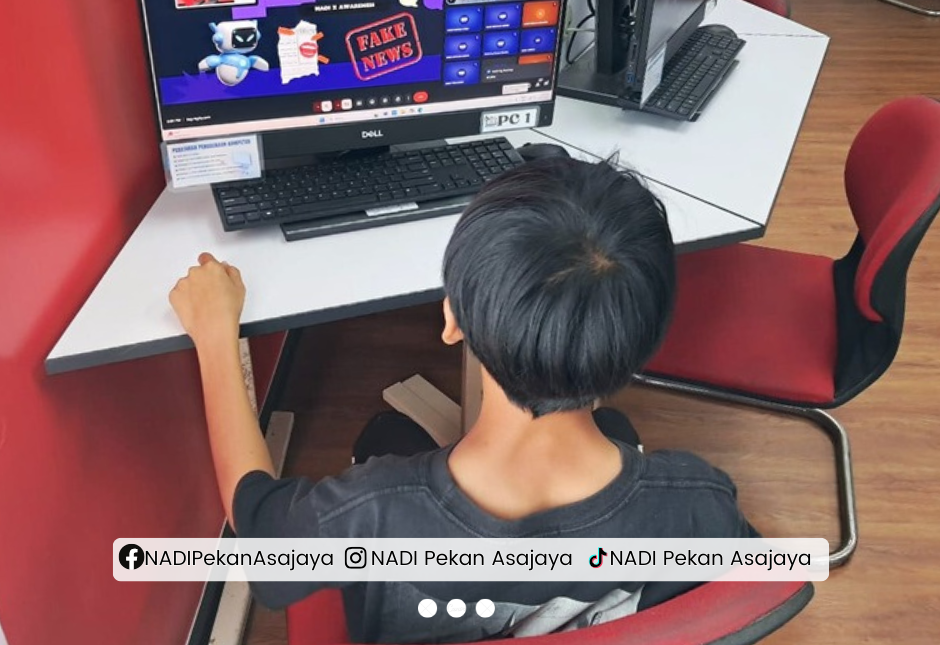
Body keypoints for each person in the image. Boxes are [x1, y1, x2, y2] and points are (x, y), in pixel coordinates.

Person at [169, 157, 757, 644]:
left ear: (451, 318)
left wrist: (216, 337)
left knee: (383, 437)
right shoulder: (699, 502)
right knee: (617, 429)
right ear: (640, 346)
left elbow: (256, 520)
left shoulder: (370, 514)